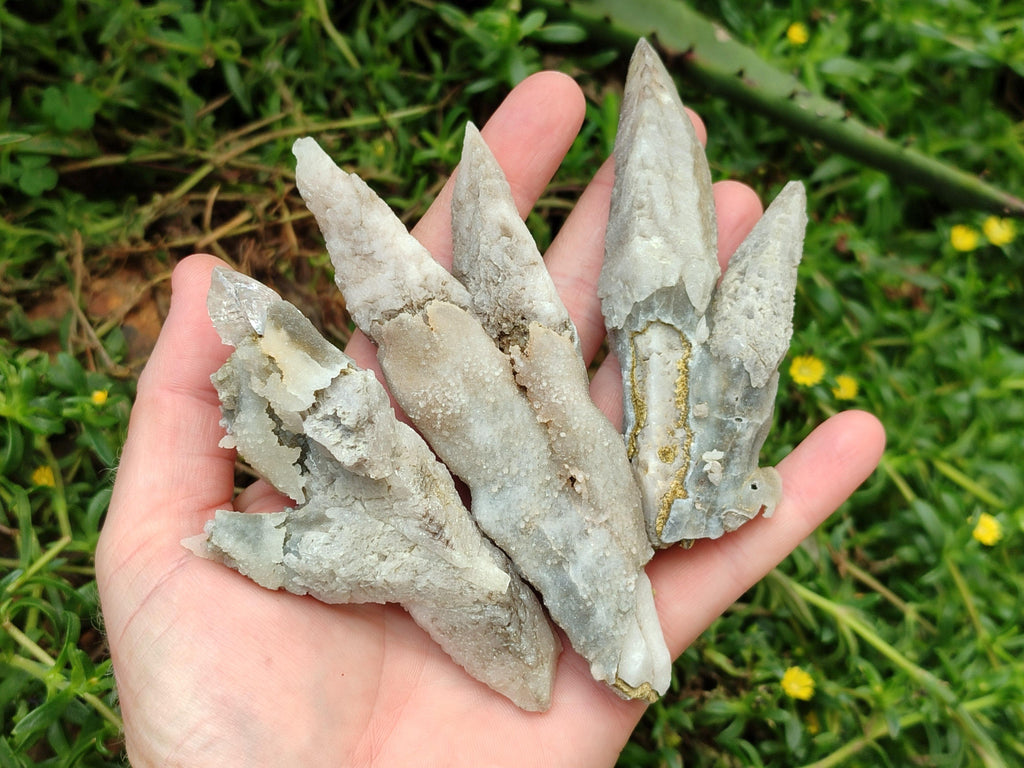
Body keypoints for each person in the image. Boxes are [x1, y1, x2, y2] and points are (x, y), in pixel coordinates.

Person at [96, 70, 885, 767]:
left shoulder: (614, 532)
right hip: (488, 481)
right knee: (495, 464)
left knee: (518, 449)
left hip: (539, 489)